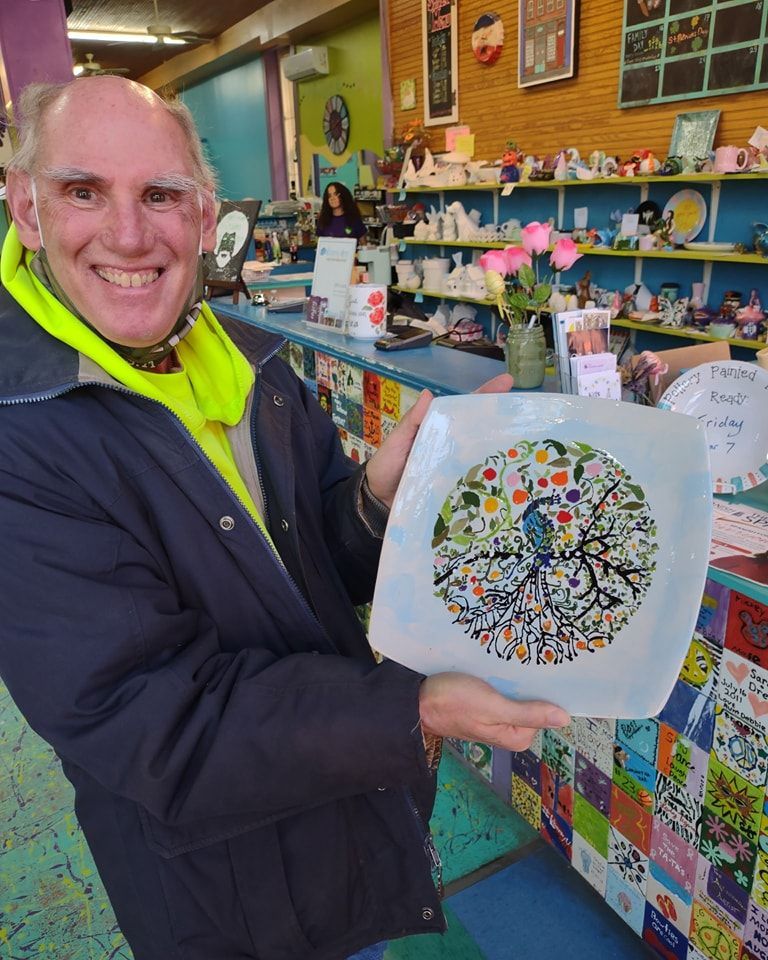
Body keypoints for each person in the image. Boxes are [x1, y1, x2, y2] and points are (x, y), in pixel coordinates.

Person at [0, 76, 569, 960]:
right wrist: (409, 713)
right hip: (219, 892)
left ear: (205, 216)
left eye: (160, 194)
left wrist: (374, 500)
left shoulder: (247, 360)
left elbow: (310, 567)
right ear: (26, 209)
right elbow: (154, 722)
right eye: (83, 191)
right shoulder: (18, 435)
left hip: (345, 824)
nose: (127, 233)